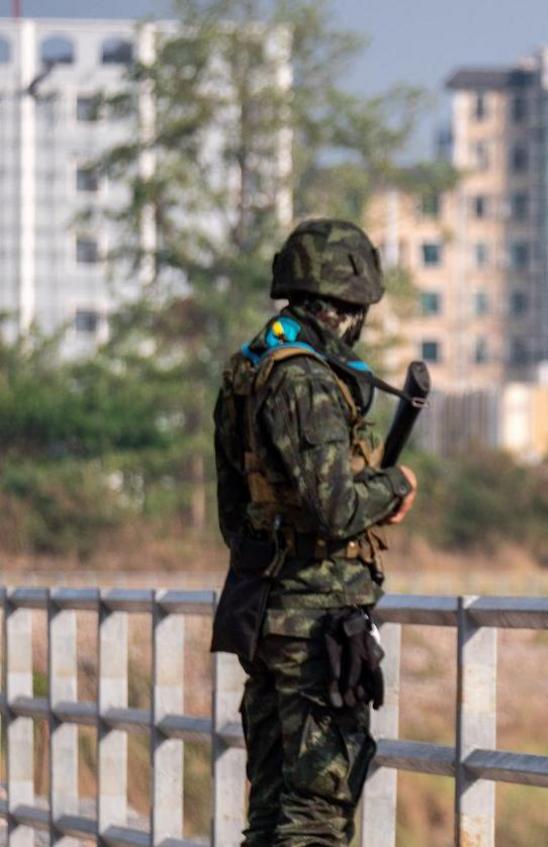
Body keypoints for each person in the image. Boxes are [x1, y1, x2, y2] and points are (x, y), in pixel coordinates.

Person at [211, 218, 418, 846]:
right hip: (315, 628)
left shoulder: (251, 369)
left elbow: (232, 510)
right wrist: (396, 487)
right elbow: (334, 509)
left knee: (272, 817)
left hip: (268, 611)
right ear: (348, 308)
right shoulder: (304, 378)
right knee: (315, 819)